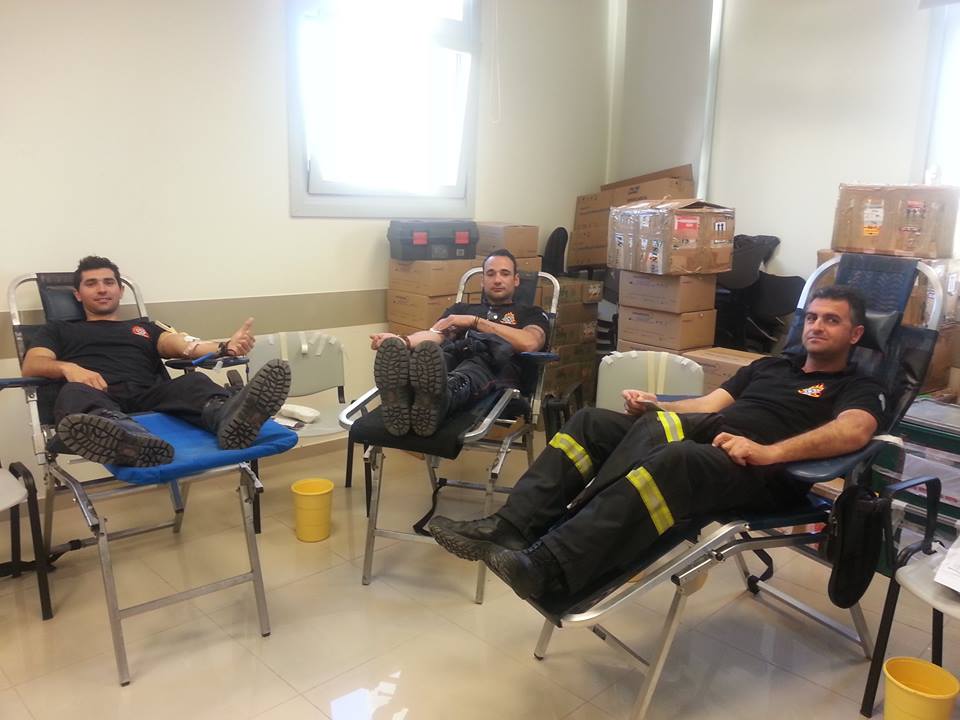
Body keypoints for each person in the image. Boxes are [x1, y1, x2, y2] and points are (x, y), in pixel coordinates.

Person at [428, 285, 886, 600]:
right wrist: (657, 404)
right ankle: (512, 525)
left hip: (762, 470)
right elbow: (707, 404)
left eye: (832, 320)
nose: (817, 326)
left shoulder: (858, 385)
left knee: (675, 457)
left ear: (856, 334)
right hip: (713, 439)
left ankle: (551, 562)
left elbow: (856, 430)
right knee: (591, 423)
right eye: (812, 317)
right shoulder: (770, 367)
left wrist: (770, 452)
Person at [21, 255, 291, 467]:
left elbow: (182, 346)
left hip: (149, 395)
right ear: (78, 294)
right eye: (91, 284)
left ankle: (230, 418)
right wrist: (69, 368)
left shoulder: (143, 327)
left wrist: (223, 347)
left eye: (109, 282)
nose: (102, 289)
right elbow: (33, 364)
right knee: (73, 392)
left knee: (193, 381)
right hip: (98, 396)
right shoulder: (59, 330)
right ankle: (128, 439)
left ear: (120, 290)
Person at [369, 249, 549, 437]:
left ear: (516, 280)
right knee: (434, 356)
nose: (497, 280)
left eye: (504, 273)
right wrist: (402, 341)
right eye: (490, 274)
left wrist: (475, 322)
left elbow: (530, 342)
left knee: (475, 364)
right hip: (457, 357)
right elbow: (435, 334)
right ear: (482, 280)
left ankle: (441, 399)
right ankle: (405, 393)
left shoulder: (532, 313)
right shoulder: (461, 309)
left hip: (497, 369)